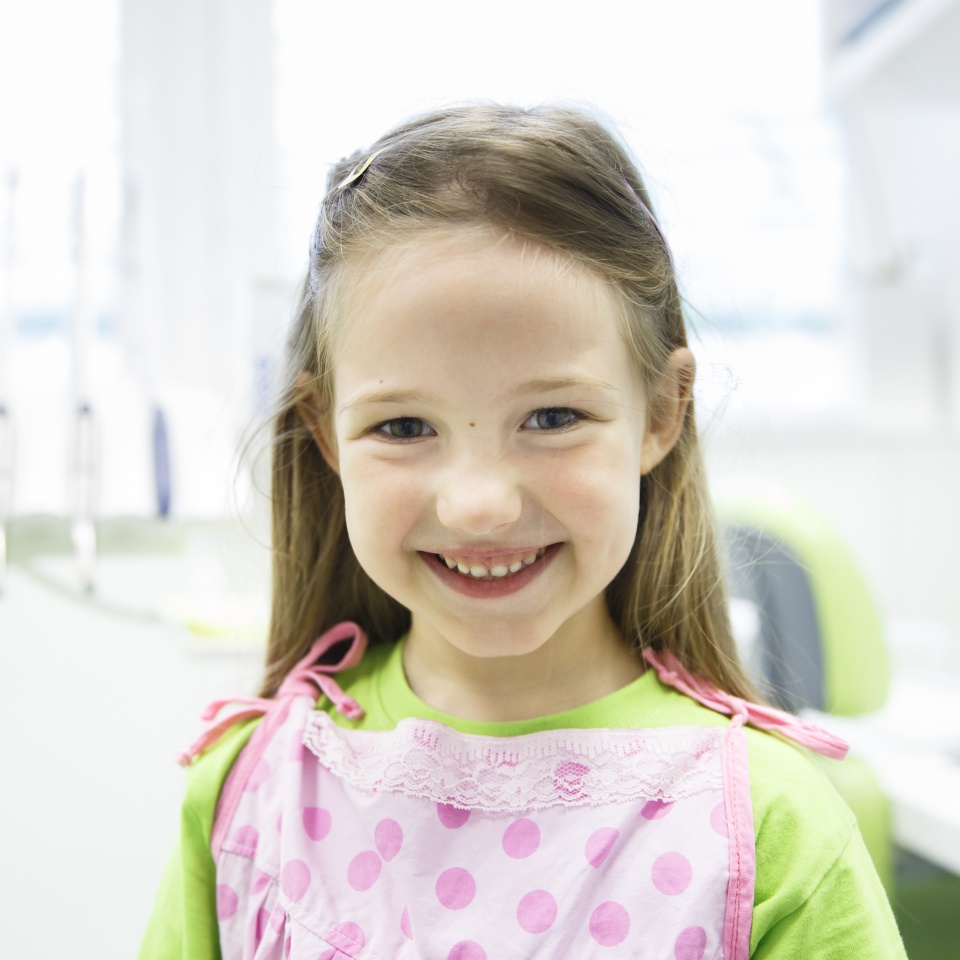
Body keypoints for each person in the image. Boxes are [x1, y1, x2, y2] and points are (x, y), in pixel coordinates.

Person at [139, 104, 906, 959]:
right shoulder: (248, 796)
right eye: (402, 427)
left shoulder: (768, 827)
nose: (478, 505)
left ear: (660, 412)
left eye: (551, 415)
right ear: (326, 436)